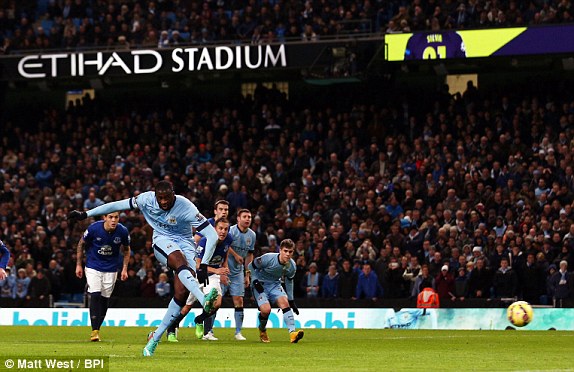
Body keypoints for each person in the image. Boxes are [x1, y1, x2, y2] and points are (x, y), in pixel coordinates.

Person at [68, 180, 218, 356]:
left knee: (181, 293)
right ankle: (203, 298)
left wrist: (204, 264)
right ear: (155, 196)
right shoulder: (146, 200)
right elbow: (117, 205)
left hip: (186, 243)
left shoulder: (186, 206)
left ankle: (155, 338)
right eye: (160, 198)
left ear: (173, 194)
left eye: (167, 198)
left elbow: (212, 236)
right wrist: (86, 214)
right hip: (162, 241)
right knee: (179, 262)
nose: (163, 202)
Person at [166, 217, 232, 342]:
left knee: (217, 303)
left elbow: (226, 253)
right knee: (186, 307)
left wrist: (224, 269)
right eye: (220, 229)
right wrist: (217, 270)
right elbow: (197, 265)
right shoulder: (204, 241)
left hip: (212, 276)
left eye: (225, 229)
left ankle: (199, 320)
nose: (223, 232)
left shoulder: (228, 239)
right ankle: (171, 329)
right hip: (198, 275)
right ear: (214, 229)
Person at [75, 211, 131, 342]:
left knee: (105, 299)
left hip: (111, 269)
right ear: (104, 217)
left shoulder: (122, 231)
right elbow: (81, 244)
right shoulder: (94, 228)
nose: (113, 220)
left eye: (116, 217)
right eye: (110, 217)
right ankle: (94, 331)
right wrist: (78, 264)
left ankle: (97, 330)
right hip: (93, 266)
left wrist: (124, 269)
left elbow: (127, 249)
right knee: (95, 294)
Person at [247, 238, 304, 343]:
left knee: (285, 303)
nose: (287, 254)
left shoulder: (292, 266)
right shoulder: (268, 258)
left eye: (290, 252)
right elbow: (251, 266)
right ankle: (262, 330)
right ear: (280, 250)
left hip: (275, 285)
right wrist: (254, 281)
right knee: (266, 310)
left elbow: (289, 281)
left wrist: (291, 300)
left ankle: (293, 333)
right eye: (285, 251)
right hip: (260, 284)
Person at [226, 208, 256, 341]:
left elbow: (250, 255)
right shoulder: (231, 231)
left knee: (239, 300)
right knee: (216, 300)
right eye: (245, 216)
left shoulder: (252, 235)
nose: (248, 219)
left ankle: (238, 332)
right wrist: (236, 255)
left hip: (238, 272)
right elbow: (224, 247)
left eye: (249, 217)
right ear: (238, 219)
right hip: (224, 269)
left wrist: (247, 274)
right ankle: (209, 331)